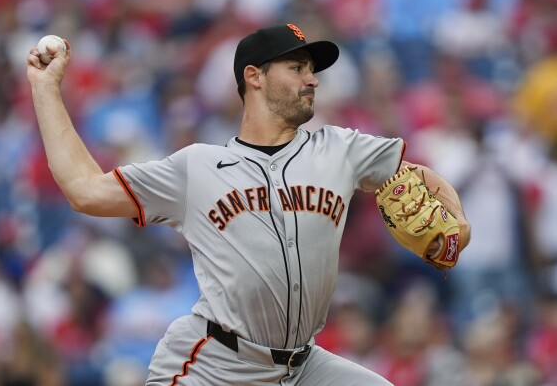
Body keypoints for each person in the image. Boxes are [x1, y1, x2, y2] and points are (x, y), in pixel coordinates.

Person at [27, 24, 471, 386]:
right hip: (215, 365)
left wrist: (459, 226)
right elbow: (84, 189)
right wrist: (46, 90)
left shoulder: (341, 148)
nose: (312, 78)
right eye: (297, 67)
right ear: (254, 76)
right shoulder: (197, 167)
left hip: (304, 367)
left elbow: (417, 176)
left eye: (312, 69)